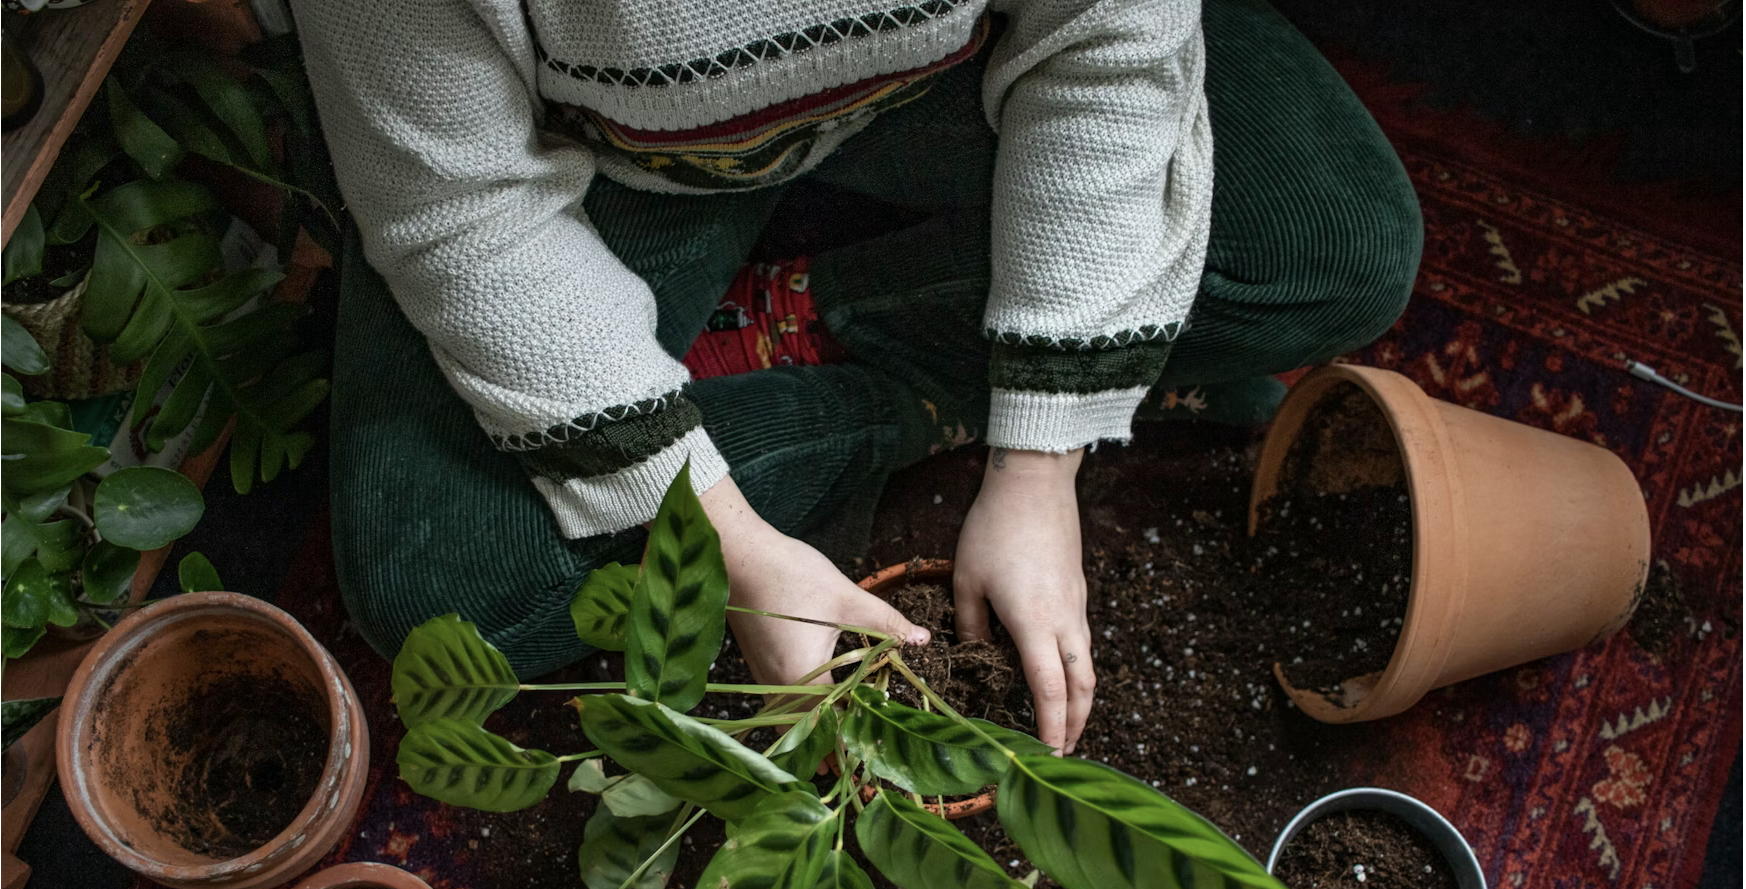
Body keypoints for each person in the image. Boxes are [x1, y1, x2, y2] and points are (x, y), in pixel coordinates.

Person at [290, 0, 1420, 755]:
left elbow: (1106, 40)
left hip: (938, 84)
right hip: (605, 156)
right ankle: (889, 356)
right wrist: (729, 545)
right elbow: (458, 208)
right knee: (438, 586)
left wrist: (1040, 462)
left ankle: (809, 325)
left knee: (1334, 249)